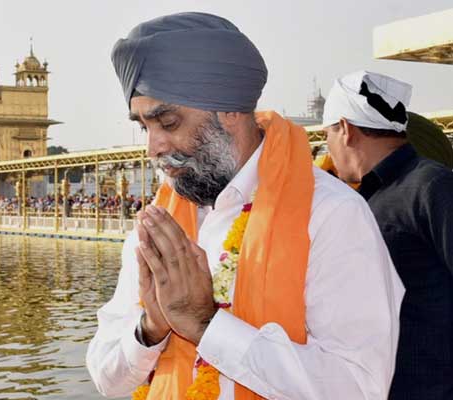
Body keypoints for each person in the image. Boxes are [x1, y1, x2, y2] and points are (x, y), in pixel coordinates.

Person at [86, 13, 404, 400]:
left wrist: (206, 324)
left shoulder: (331, 214)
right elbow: (106, 379)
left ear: (230, 111)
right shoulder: (160, 223)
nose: (153, 148)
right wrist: (151, 326)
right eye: (143, 127)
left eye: (168, 122)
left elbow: (358, 388)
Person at [322, 71, 453, 400]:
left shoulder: (432, 186)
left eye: (328, 136)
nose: (328, 149)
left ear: (346, 129)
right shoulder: (361, 199)